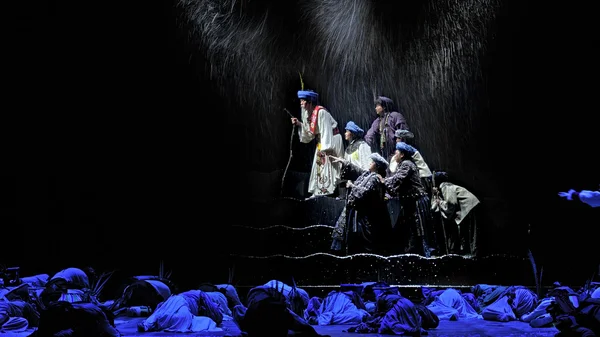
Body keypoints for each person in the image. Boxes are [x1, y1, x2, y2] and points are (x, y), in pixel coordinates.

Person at [330, 153, 392, 254]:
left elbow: (364, 192)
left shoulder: (374, 178)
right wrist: (344, 162)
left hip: (365, 215)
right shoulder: (367, 174)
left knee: (364, 240)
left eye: (372, 162)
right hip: (357, 213)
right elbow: (357, 170)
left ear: (376, 166)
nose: (370, 163)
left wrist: (352, 186)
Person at [383, 142, 435, 256]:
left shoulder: (407, 164)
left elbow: (397, 180)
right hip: (410, 203)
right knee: (407, 231)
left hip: (417, 202)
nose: (394, 154)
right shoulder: (403, 165)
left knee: (420, 231)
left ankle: (427, 258)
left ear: (402, 154)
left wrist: (383, 181)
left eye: (396, 152)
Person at [291, 90, 344, 197]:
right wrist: (300, 124)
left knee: (331, 166)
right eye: (300, 101)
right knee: (319, 166)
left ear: (310, 102)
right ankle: (319, 191)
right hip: (322, 141)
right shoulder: (307, 114)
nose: (301, 103)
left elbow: (326, 130)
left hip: (331, 140)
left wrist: (326, 149)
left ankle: (334, 192)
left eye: (303, 101)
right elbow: (309, 133)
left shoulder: (321, 112)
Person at [431, 171, 480, 255]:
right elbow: (433, 207)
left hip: (470, 206)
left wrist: (440, 202)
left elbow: (451, 204)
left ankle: (475, 255)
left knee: (472, 233)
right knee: (468, 232)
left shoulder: (446, 187)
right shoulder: (443, 188)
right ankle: (471, 253)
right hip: (468, 207)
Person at [365, 96, 409, 161]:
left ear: (384, 106)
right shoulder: (378, 121)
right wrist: (367, 140)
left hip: (397, 153)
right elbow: (370, 133)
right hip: (385, 154)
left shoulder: (395, 116)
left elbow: (403, 131)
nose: (375, 108)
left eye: (378, 106)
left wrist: (399, 147)